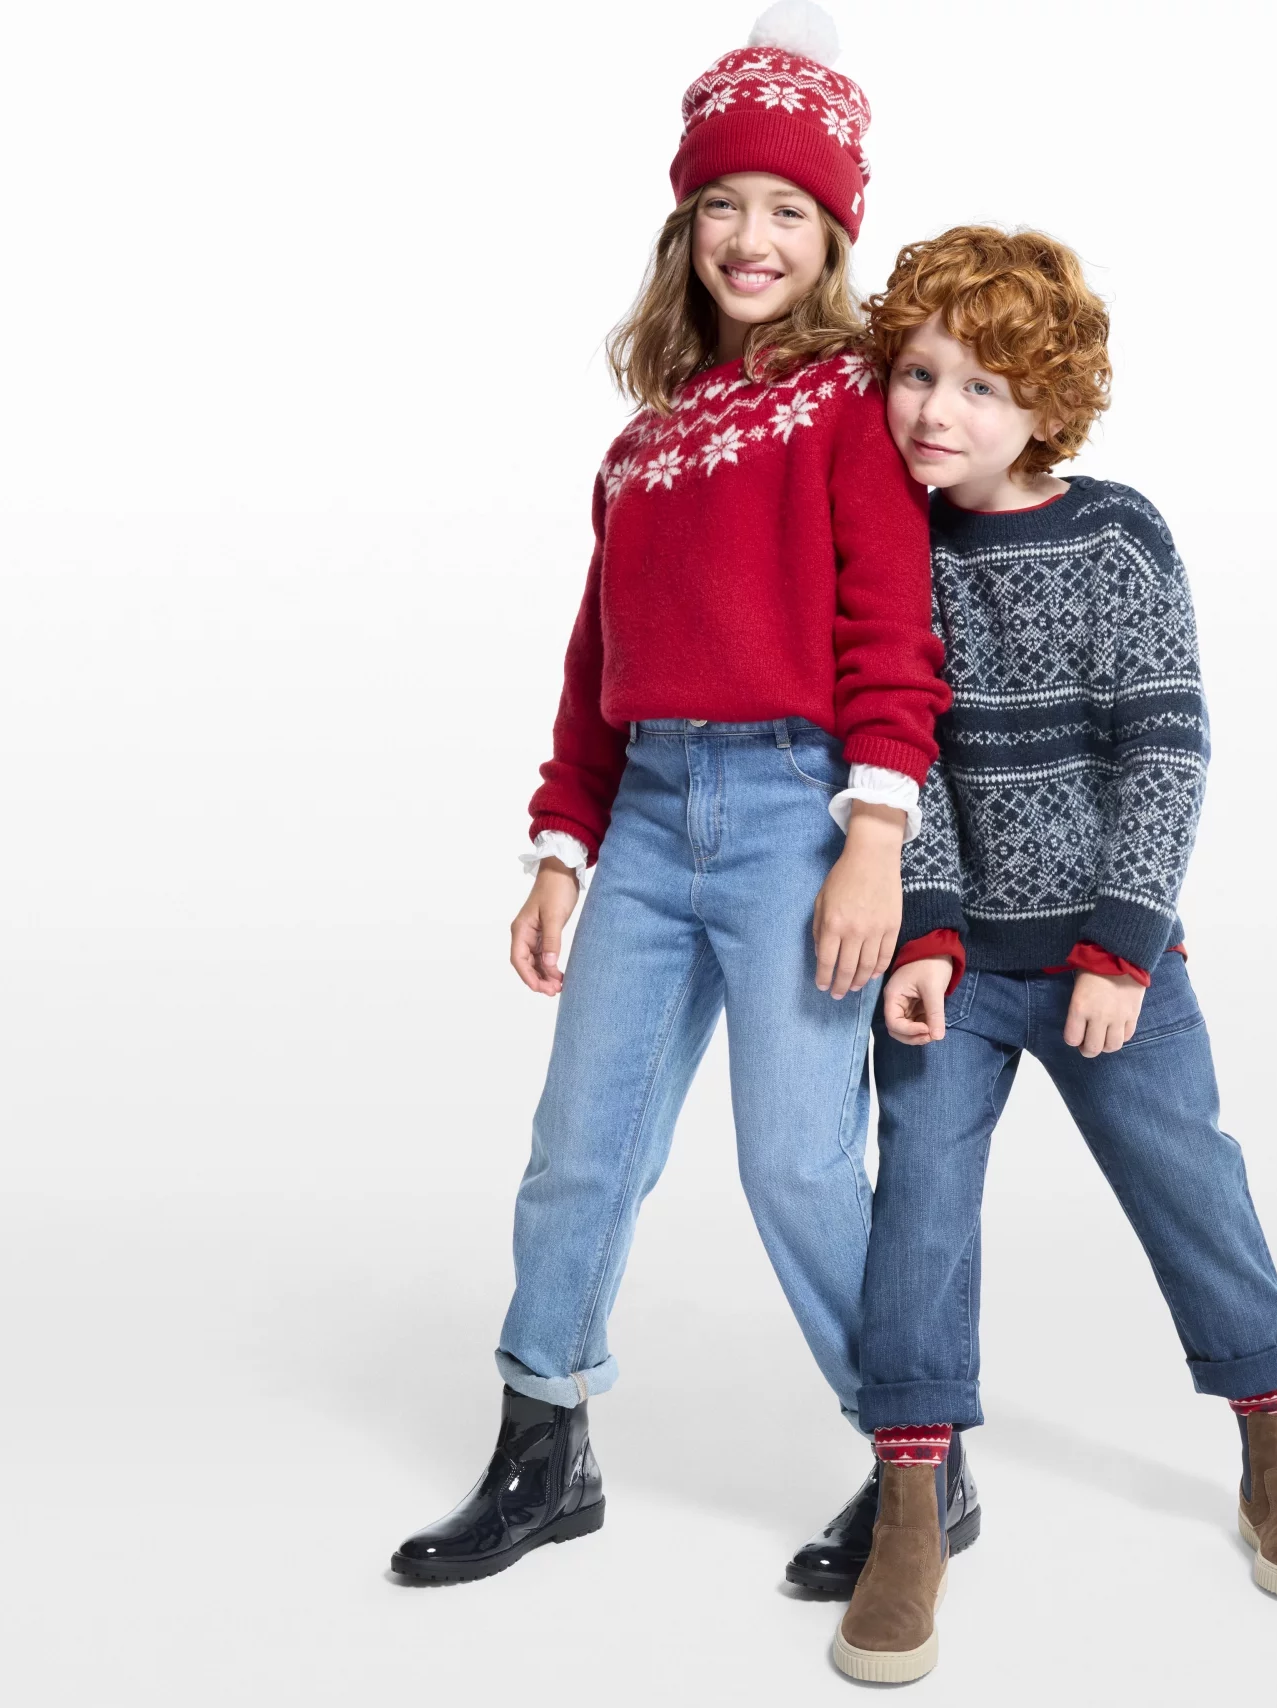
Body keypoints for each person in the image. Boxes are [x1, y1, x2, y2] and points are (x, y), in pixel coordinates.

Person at [388, 4, 961, 1585]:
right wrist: (560, 851)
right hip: (647, 816)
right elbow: (599, 660)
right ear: (683, 224)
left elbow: (892, 634)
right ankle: (543, 1448)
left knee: (797, 1162)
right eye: (722, 203)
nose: (751, 238)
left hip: (794, 812)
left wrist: (873, 838)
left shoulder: (849, 406)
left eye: (788, 210)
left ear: (832, 235)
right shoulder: (642, 446)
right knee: (582, 1147)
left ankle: (921, 1462)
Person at [827, 227, 1277, 1682]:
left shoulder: (1117, 534)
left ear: (1044, 406)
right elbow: (899, 755)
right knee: (920, 1211)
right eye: (917, 374)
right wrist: (927, 931)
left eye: (981, 387)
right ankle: (913, 1499)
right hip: (955, 966)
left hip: (1107, 959)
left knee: (1191, 1180)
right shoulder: (892, 546)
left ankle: (1273, 1440)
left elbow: (1163, 745)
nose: (937, 410)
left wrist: (1121, 949)